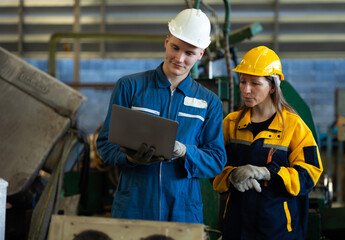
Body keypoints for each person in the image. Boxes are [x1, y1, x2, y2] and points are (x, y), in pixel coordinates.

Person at [96, 8, 226, 224]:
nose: (179, 58)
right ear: (166, 41)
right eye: (175, 47)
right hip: (134, 206)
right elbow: (105, 144)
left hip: (182, 210)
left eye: (190, 53)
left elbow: (216, 160)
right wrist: (129, 158)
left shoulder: (209, 102)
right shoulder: (130, 87)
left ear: (201, 54)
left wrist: (185, 151)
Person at [213, 46, 323, 240]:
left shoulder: (293, 126)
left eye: (255, 83)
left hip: (278, 229)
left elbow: (309, 174)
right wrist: (231, 176)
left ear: (272, 86)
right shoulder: (231, 123)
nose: (246, 90)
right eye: (243, 82)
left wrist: (267, 173)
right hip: (237, 227)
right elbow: (213, 167)